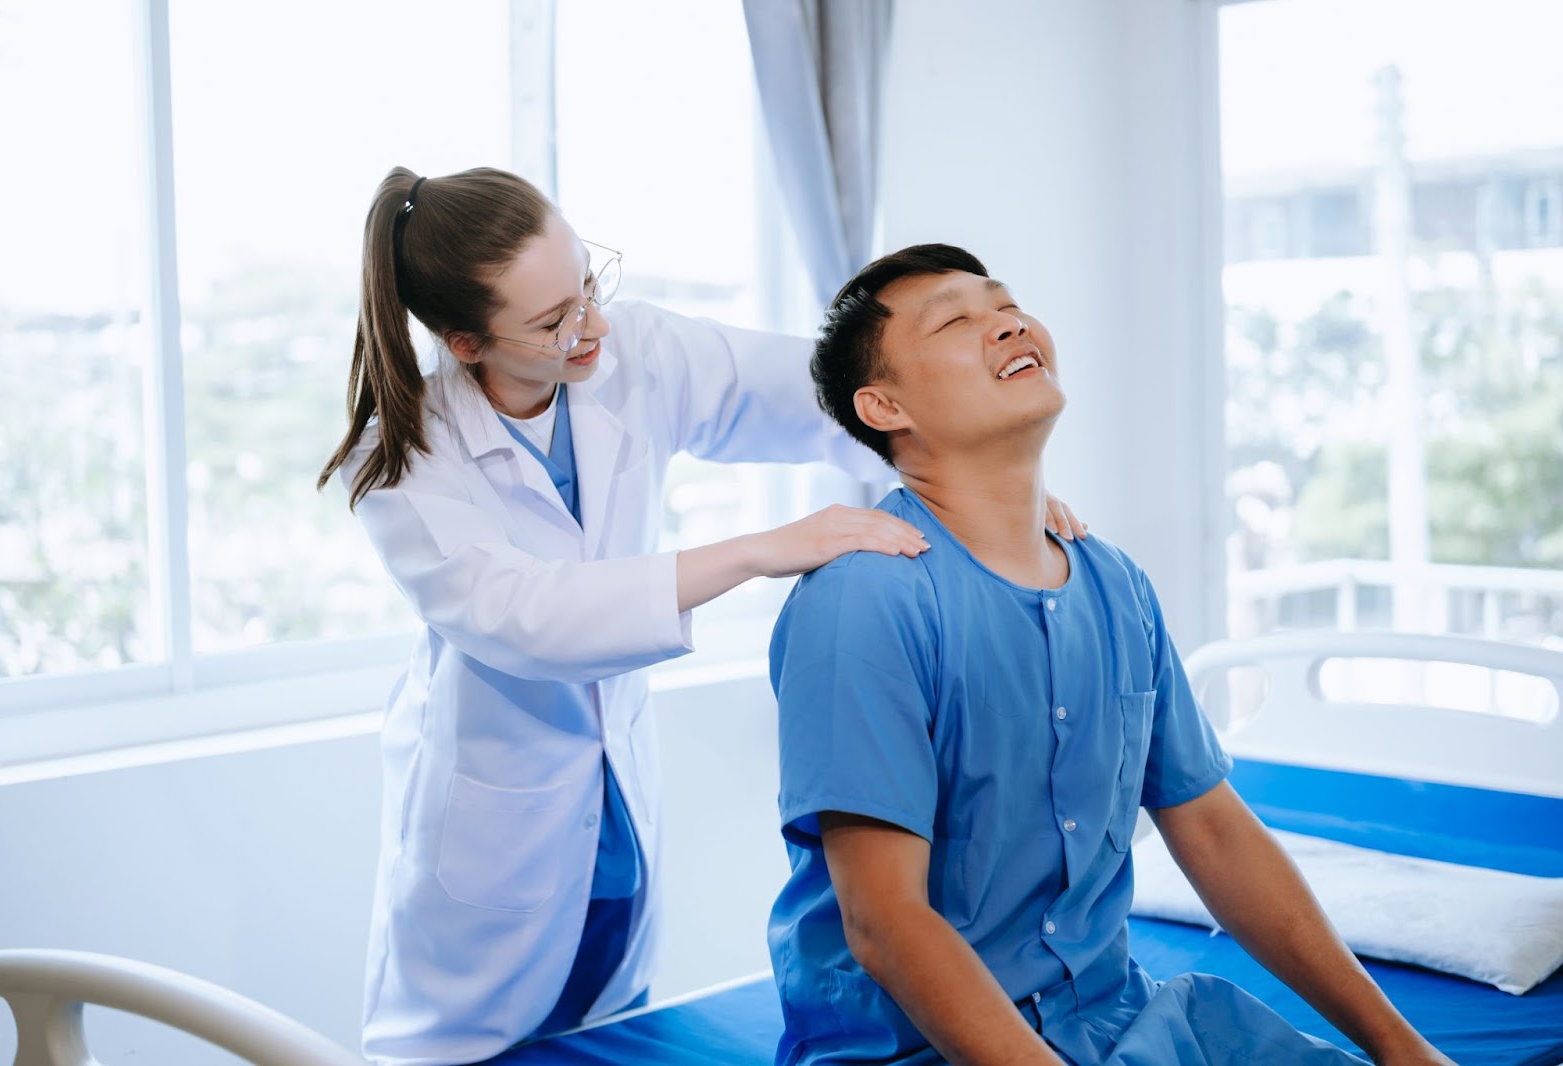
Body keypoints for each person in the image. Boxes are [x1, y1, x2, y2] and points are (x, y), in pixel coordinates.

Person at [315, 169, 1083, 1066]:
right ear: (465, 343)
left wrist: (976, 474)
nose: (594, 327)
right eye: (554, 322)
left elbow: (828, 392)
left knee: (610, 1023)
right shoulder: (400, 452)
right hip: (492, 832)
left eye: (590, 285)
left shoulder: (635, 353)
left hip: (613, 809)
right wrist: (764, 548)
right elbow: (520, 616)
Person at [765, 244, 1454, 1066]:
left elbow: (1213, 831)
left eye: (1006, 305)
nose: (1008, 324)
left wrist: (1404, 1051)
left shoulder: (1114, 583)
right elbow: (885, 921)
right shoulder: (865, 600)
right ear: (883, 407)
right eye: (955, 321)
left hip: (1122, 1021)